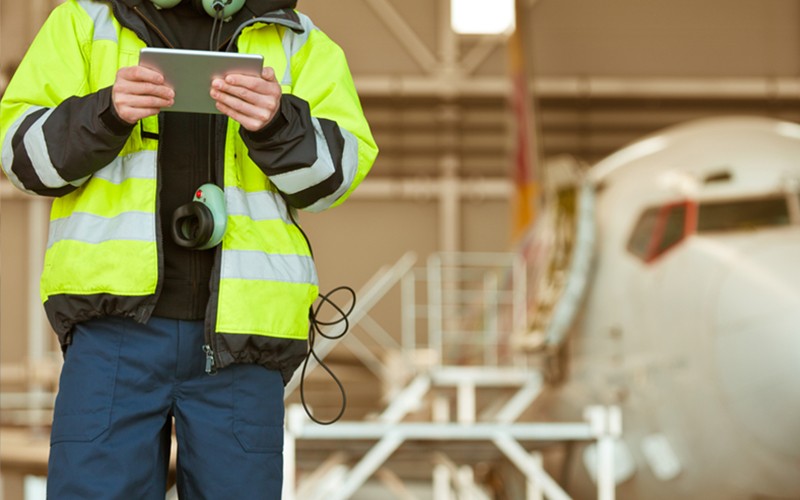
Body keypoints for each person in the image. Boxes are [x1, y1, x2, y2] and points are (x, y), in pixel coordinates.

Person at [0, 0, 377, 497]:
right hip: (114, 334)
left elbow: (338, 177)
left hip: (243, 345)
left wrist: (279, 122)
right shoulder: (82, 21)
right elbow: (19, 155)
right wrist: (105, 113)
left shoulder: (300, 41)